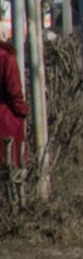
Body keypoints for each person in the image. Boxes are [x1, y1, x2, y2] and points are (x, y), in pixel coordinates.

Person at [0, 35, 29, 169]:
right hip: (7, 117)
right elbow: (14, 91)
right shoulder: (7, 58)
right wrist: (23, 110)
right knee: (10, 162)